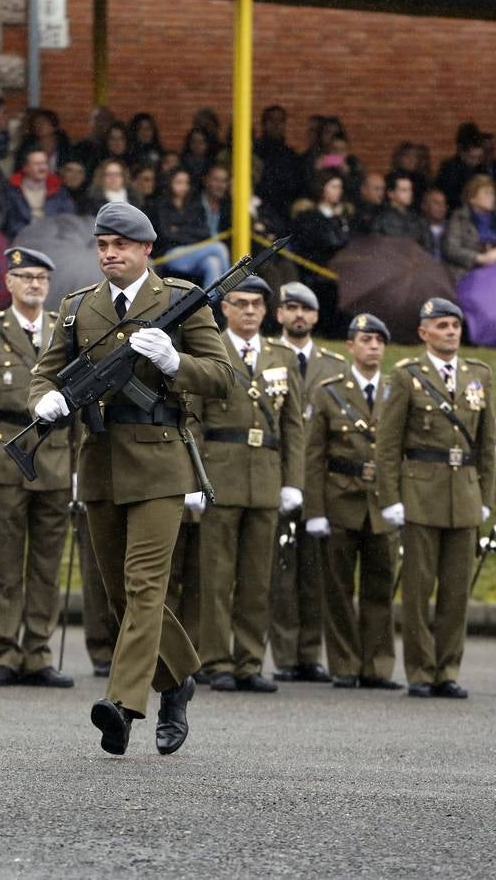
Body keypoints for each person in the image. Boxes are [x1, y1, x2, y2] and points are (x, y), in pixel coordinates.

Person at [29, 202, 233, 756]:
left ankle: (121, 705)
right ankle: (179, 679)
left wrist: (173, 363)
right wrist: (43, 401)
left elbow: (223, 378)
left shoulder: (180, 302)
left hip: (161, 462)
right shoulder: (77, 308)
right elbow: (46, 371)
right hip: (99, 460)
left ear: (147, 250)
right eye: (102, 245)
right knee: (120, 594)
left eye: (121, 245)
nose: (110, 254)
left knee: (145, 586)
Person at [0, 248, 75, 688]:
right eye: (26, 276)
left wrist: (78, 465)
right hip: (8, 456)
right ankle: (5, 652)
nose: (35, 284)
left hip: (56, 455)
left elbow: (80, 399)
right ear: (8, 283)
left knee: (47, 565)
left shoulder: (64, 329)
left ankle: (38, 653)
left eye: (42, 277)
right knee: (4, 564)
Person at [376, 298, 496, 700]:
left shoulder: (479, 375)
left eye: (455, 326)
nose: (451, 332)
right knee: (417, 589)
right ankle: (421, 671)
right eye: (442, 326)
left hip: (463, 492)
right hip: (420, 493)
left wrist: (485, 496)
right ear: (424, 332)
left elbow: (486, 444)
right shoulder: (406, 375)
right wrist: (391, 497)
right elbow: (388, 444)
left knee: (456, 591)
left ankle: (448, 669)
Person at [195, 276, 304, 694]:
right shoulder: (210, 350)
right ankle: (216, 661)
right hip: (220, 473)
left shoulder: (280, 356)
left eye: (257, 304)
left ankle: (249, 661)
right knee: (218, 577)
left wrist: (292, 482)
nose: (249, 311)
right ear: (225, 309)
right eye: (240, 303)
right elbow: (195, 419)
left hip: (265, 476)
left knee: (258, 578)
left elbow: (293, 426)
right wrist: (194, 478)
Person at [304, 313, 401, 690]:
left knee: (380, 589)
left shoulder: (397, 389)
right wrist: (314, 510)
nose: (373, 346)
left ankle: (377, 667)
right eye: (366, 339)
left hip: (382, 502)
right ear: (350, 346)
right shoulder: (329, 391)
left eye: (379, 340)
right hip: (340, 499)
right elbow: (313, 457)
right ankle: (344, 665)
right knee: (339, 590)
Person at [268, 283, 345, 684]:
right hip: (275, 472)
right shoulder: (267, 357)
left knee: (315, 570)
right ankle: (283, 653)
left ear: (316, 317)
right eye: (291, 308)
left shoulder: (334, 366)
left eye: (306, 309)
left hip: (319, 479)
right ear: (279, 314)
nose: (299, 315)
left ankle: (309, 654)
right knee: (280, 570)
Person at [150, 167, 231, 283]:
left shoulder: (193, 205)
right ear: (169, 183)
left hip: (193, 251)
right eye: (178, 182)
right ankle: (231, 288)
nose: (183, 187)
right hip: (170, 255)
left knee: (213, 263)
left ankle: (210, 301)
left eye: (186, 183)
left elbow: (205, 232)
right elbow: (166, 235)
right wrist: (191, 234)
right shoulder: (160, 206)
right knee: (219, 247)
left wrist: (179, 230)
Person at [443, 175, 496, 282]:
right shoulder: (460, 217)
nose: (492, 197)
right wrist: (478, 258)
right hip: (469, 273)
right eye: (486, 193)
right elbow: (451, 249)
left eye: (492, 193)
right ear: (472, 198)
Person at [4, 149, 75, 237]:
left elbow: (68, 217)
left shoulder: (58, 189)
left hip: (52, 239)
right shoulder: (13, 190)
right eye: (37, 164)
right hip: (21, 238)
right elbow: (10, 221)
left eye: (45, 163)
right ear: (26, 168)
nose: (42, 168)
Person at [372, 170, 433, 251]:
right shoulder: (380, 219)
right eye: (404, 190)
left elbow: (428, 246)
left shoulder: (418, 218)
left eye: (410, 189)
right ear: (391, 193)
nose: (409, 193)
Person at [422, 187, 449, 261]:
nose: (441, 207)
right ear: (424, 206)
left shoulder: (452, 228)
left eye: (443, 203)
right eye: (436, 203)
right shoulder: (417, 228)